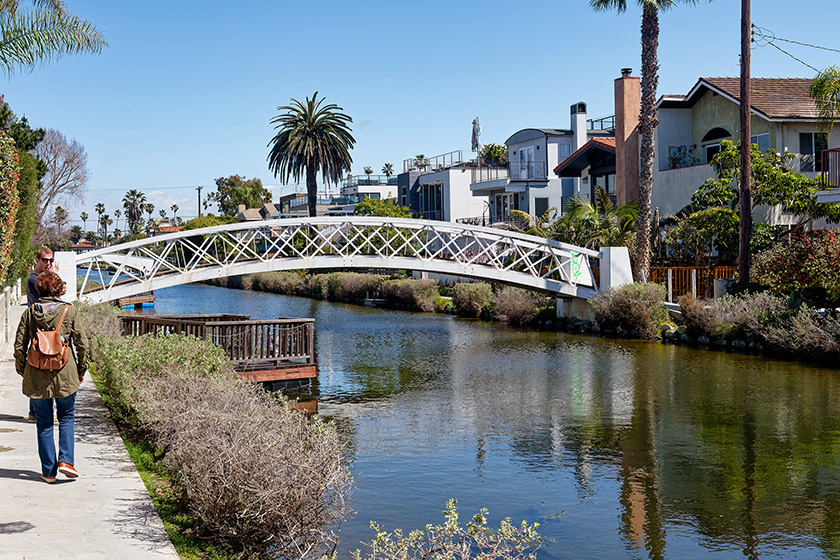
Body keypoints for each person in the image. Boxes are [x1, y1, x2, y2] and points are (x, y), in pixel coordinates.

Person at [14, 270, 88, 483]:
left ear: (39, 289)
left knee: (44, 422)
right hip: (65, 373)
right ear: (59, 290)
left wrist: (23, 370)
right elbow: (82, 344)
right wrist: (81, 370)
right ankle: (67, 461)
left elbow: (20, 347)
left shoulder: (29, 313)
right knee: (66, 416)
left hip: (37, 374)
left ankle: (49, 472)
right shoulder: (69, 311)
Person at [25, 247, 56, 422]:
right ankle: (35, 412)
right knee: (39, 369)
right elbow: (54, 294)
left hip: (45, 330)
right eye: (45, 260)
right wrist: (56, 277)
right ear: (37, 260)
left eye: (51, 260)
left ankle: (34, 412)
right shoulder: (33, 280)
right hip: (37, 331)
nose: (48, 264)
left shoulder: (43, 279)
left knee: (43, 368)